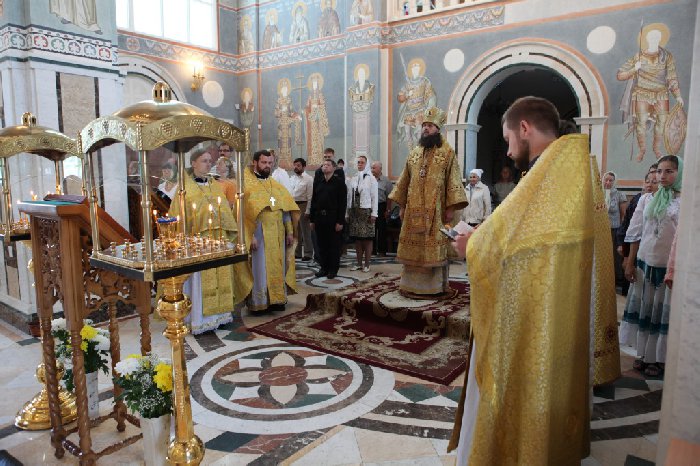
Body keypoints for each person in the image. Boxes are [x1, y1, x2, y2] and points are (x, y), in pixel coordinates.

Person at [449, 97, 618, 465]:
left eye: (508, 139)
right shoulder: (575, 166)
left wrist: (471, 245)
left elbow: (525, 248)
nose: (509, 151)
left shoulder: (549, 173)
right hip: (561, 310)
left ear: (524, 128)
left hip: (532, 314)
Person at [388, 106, 467, 298]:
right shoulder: (414, 153)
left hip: (437, 213)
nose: (425, 128)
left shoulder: (447, 153)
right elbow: (404, 181)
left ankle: (434, 287)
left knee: (436, 249)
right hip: (413, 212)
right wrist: (402, 206)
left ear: (438, 129)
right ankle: (411, 286)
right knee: (414, 249)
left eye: (430, 125)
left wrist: (450, 208)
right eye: (424, 125)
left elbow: (453, 181)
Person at [621, 155, 682, 377]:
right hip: (644, 262)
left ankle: (660, 357)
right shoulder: (647, 199)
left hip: (668, 266)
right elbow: (636, 233)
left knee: (661, 314)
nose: (662, 176)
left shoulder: (683, 202)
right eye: (659, 171)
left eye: (669, 171)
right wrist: (629, 261)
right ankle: (644, 354)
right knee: (645, 311)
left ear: (679, 174)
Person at [167, 149, 238, 334]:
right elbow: (178, 215)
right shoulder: (185, 188)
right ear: (193, 163)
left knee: (221, 278)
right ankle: (200, 320)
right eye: (204, 160)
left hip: (219, 240)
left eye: (209, 161)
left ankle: (221, 316)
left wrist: (228, 234)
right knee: (200, 280)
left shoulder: (215, 185)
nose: (208, 164)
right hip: (198, 241)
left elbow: (225, 211)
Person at [233, 150, 299, 313]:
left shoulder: (275, 185)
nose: (267, 166)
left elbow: (285, 210)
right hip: (258, 233)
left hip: (277, 234)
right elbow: (241, 214)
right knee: (260, 269)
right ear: (255, 162)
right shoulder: (246, 185)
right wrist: (249, 236)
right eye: (264, 163)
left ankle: (277, 299)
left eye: (270, 163)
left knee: (278, 267)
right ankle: (259, 302)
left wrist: (290, 231)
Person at [617, 24, 684, 161]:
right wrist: (634, 69)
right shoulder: (638, 57)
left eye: (656, 37)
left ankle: (656, 149)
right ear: (647, 39)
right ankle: (642, 150)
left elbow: (672, 77)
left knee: (662, 123)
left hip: (661, 94)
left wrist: (678, 96)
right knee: (640, 123)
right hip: (642, 94)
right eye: (651, 37)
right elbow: (620, 75)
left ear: (660, 39)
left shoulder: (666, 57)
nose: (654, 39)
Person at [310, 159, 347, 279]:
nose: (325, 166)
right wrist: (312, 219)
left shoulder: (339, 183)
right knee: (321, 244)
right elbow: (314, 201)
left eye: (328, 165)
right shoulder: (318, 182)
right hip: (319, 217)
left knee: (333, 245)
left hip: (333, 217)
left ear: (334, 168)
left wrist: (340, 221)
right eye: (324, 165)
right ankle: (324, 268)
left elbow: (342, 203)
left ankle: (333, 269)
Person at [347, 156, 378, 272]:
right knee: (358, 239)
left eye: (362, 162)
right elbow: (349, 196)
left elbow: (374, 197)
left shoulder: (371, 179)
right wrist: (347, 212)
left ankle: (367, 265)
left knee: (367, 238)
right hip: (355, 211)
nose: (359, 164)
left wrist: (374, 213)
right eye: (358, 162)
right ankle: (359, 263)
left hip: (366, 211)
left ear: (367, 164)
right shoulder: (354, 178)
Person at [603, 171, 628, 292]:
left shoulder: (619, 194)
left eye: (610, 180)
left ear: (614, 182)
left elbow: (624, 215)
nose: (608, 182)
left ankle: (617, 281)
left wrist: (622, 232)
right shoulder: (598, 194)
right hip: (601, 231)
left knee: (615, 256)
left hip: (614, 230)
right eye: (606, 179)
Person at [291, 157, 314, 261]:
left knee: (306, 231)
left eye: (298, 165)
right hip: (293, 205)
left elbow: (310, 197)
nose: (296, 167)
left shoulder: (308, 179)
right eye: (295, 165)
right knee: (296, 230)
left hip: (303, 205)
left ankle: (308, 253)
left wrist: (308, 210)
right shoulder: (292, 178)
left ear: (304, 167)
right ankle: (297, 252)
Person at [371, 161, 393, 256]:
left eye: (374, 168)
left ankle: (382, 251)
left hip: (381, 206)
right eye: (371, 168)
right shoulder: (369, 179)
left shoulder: (386, 181)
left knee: (381, 229)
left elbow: (389, 197)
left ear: (380, 169)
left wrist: (388, 210)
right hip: (370, 206)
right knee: (371, 229)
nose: (372, 170)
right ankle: (372, 251)